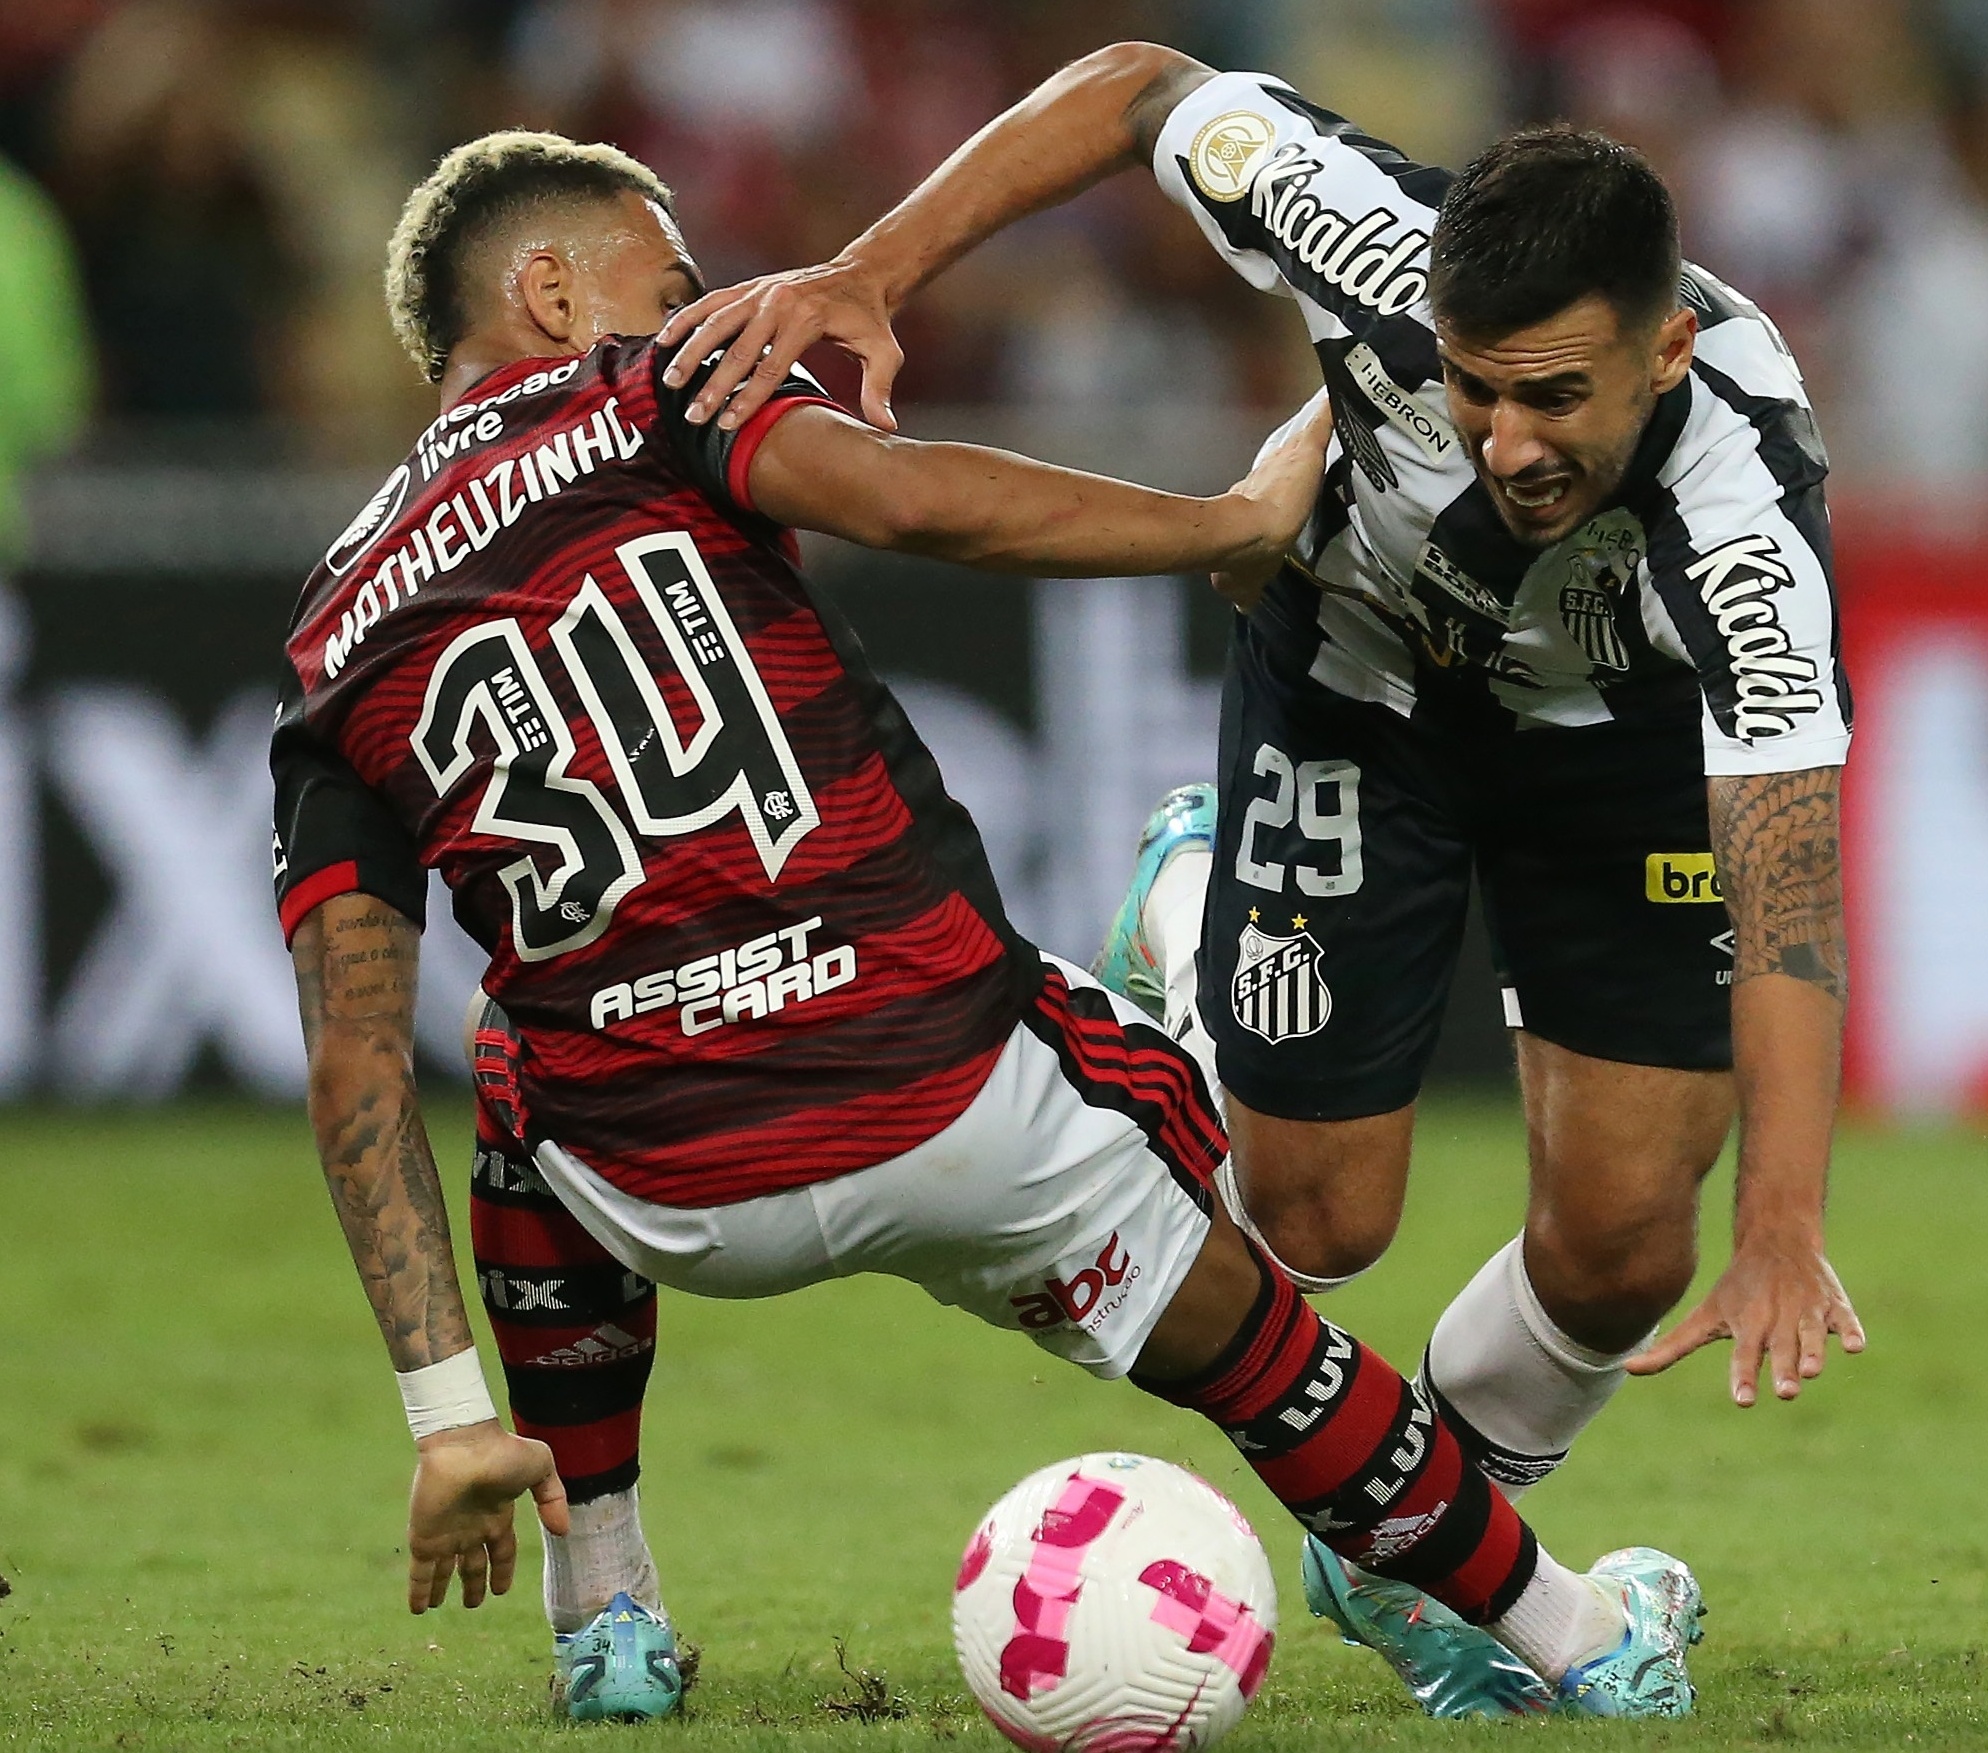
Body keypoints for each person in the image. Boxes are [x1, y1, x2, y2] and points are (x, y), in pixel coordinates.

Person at [274, 130, 1708, 1727]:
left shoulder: (332, 629)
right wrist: (1224, 523)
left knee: (516, 1067)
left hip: (672, 1189)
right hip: (951, 1090)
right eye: (670, 283)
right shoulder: (650, 395)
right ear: (550, 291)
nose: (705, 310)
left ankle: (602, 1608)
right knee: (1256, 1309)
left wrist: (445, 1414)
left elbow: (350, 1062)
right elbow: (916, 498)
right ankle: (1576, 1634)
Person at [661, 40, 1866, 1717]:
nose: (1508, 443)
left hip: (1617, 762)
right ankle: (1193, 893)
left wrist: (1783, 1222)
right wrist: (869, 272)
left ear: (1666, 347)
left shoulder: (1745, 526)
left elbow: (1791, 895)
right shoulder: (1354, 230)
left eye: (1555, 398)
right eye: (1471, 388)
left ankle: (1402, 1553)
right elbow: (1137, 84)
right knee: (1311, 1223)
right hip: (1360, 686)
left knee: (1618, 1252)